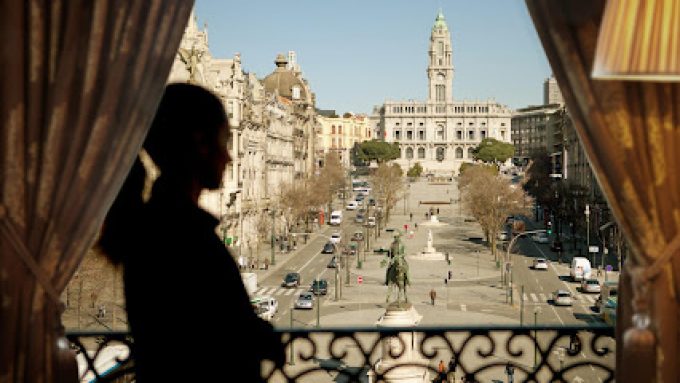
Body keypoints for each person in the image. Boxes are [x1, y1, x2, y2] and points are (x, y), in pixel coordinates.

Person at [99, 83, 283, 382]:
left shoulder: (156, 225)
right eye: (225, 143)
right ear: (200, 144)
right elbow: (222, 332)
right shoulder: (184, 237)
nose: (230, 158)